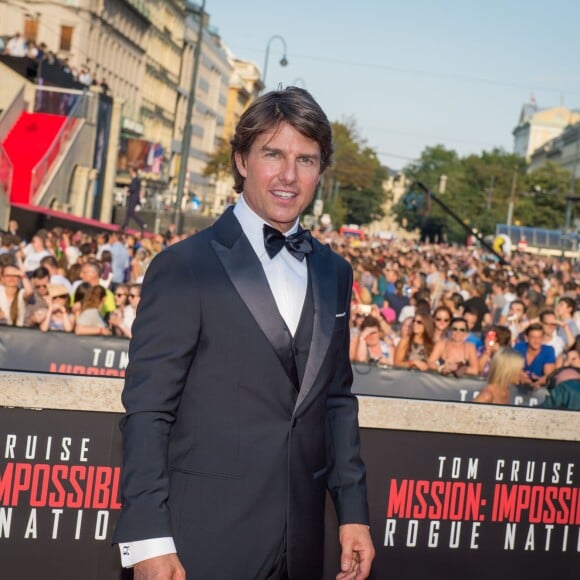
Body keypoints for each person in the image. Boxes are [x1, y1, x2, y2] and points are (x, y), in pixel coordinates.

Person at [113, 87, 374, 580]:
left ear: (321, 171)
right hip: (200, 541)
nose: (288, 175)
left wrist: (354, 511)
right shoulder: (184, 266)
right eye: (272, 154)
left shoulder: (334, 272)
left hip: (302, 544)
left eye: (306, 159)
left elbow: (337, 400)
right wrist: (147, 539)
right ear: (241, 160)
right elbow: (148, 411)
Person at [514, 322, 556, 388]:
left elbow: (549, 376)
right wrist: (521, 377)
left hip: (539, 387)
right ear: (526, 337)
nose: (536, 341)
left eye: (539, 337)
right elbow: (513, 370)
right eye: (533, 337)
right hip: (519, 385)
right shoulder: (519, 347)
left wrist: (538, 381)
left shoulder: (548, 350)